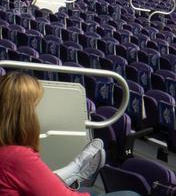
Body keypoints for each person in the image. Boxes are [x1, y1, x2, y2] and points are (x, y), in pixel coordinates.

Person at [0, 72, 139, 196]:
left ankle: (73, 169)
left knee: (92, 191)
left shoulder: (10, 153)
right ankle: (74, 170)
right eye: (37, 105)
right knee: (130, 194)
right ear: (25, 114)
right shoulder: (17, 158)